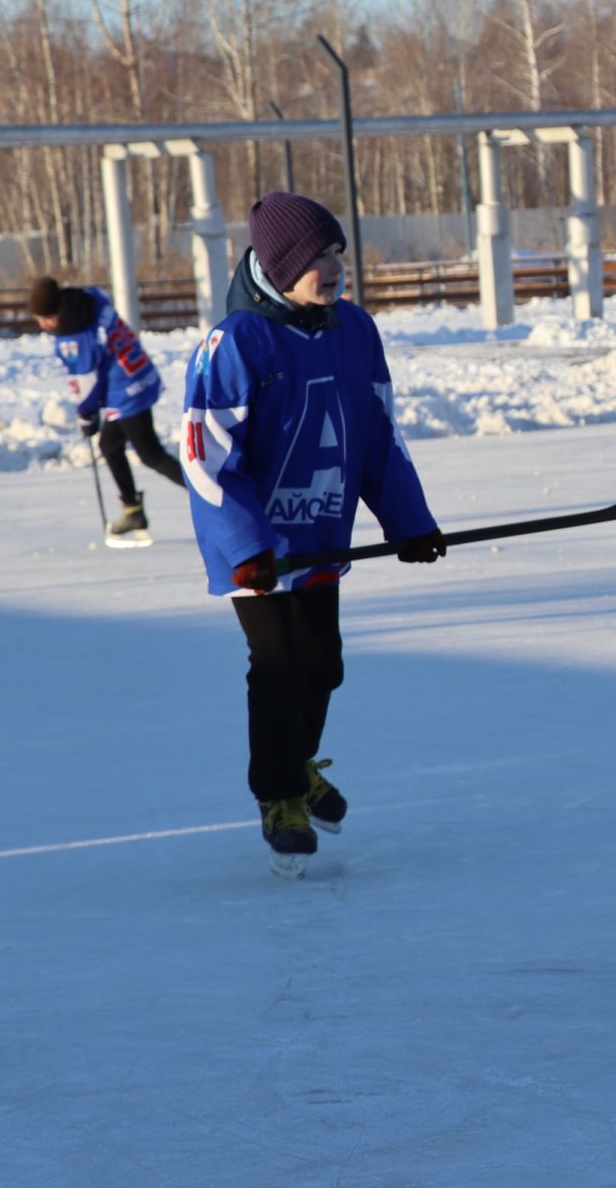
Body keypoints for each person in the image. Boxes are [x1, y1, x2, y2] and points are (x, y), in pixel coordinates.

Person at [181, 192, 448, 878]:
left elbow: (377, 437)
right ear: (276, 266)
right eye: (313, 258)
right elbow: (206, 457)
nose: (332, 268)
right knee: (277, 667)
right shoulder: (237, 341)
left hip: (323, 536)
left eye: (336, 253)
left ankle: (294, 764)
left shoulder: (354, 331)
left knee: (322, 663)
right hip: (261, 553)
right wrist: (246, 548)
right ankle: (280, 796)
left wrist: (409, 522)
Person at [27, 275, 186, 538]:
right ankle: (132, 510)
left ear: (51, 317)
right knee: (109, 445)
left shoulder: (73, 338)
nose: (43, 326)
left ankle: (210, 495)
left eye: (43, 321)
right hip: (138, 374)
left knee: (150, 454)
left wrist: (86, 413)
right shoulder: (91, 300)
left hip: (126, 389)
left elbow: (89, 381)